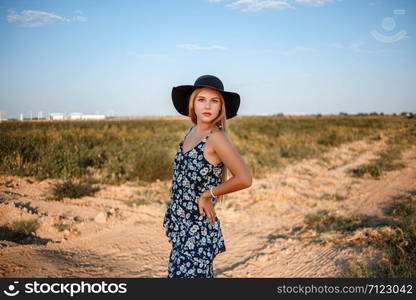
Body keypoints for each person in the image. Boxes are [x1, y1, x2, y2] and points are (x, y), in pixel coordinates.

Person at [163, 74, 252, 278]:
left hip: (197, 230)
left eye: (214, 101)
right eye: (201, 100)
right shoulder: (192, 131)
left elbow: (245, 178)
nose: (207, 106)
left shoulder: (216, 138)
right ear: (192, 104)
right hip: (180, 223)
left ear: (221, 108)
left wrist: (207, 195)